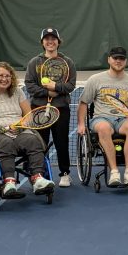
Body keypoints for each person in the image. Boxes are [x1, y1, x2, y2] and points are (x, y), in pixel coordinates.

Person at [0, 62, 55, 199]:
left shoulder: (18, 92)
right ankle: (9, 183)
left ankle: (38, 179)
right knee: (6, 143)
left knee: (32, 140)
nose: (4, 79)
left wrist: (21, 126)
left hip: (19, 132)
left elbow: (28, 115)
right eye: (1, 75)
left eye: (8, 76)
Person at [77, 46, 128, 187]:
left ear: (125, 61)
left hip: (123, 120)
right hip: (101, 119)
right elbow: (84, 102)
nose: (118, 61)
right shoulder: (95, 79)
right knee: (103, 128)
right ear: (109, 59)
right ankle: (114, 172)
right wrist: (80, 124)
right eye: (115, 58)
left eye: (121, 58)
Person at [24, 27, 76, 187]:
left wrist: (57, 88)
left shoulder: (67, 62)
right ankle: (39, 174)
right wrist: (46, 92)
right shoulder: (35, 62)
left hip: (61, 109)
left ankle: (65, 174)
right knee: (39, 143)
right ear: (42, 42)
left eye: (53, 39)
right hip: (39, 109)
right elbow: (29, 85)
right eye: (47, 39)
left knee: (62, 142)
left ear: (58, 42)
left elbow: (70, 85)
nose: (50, 41)